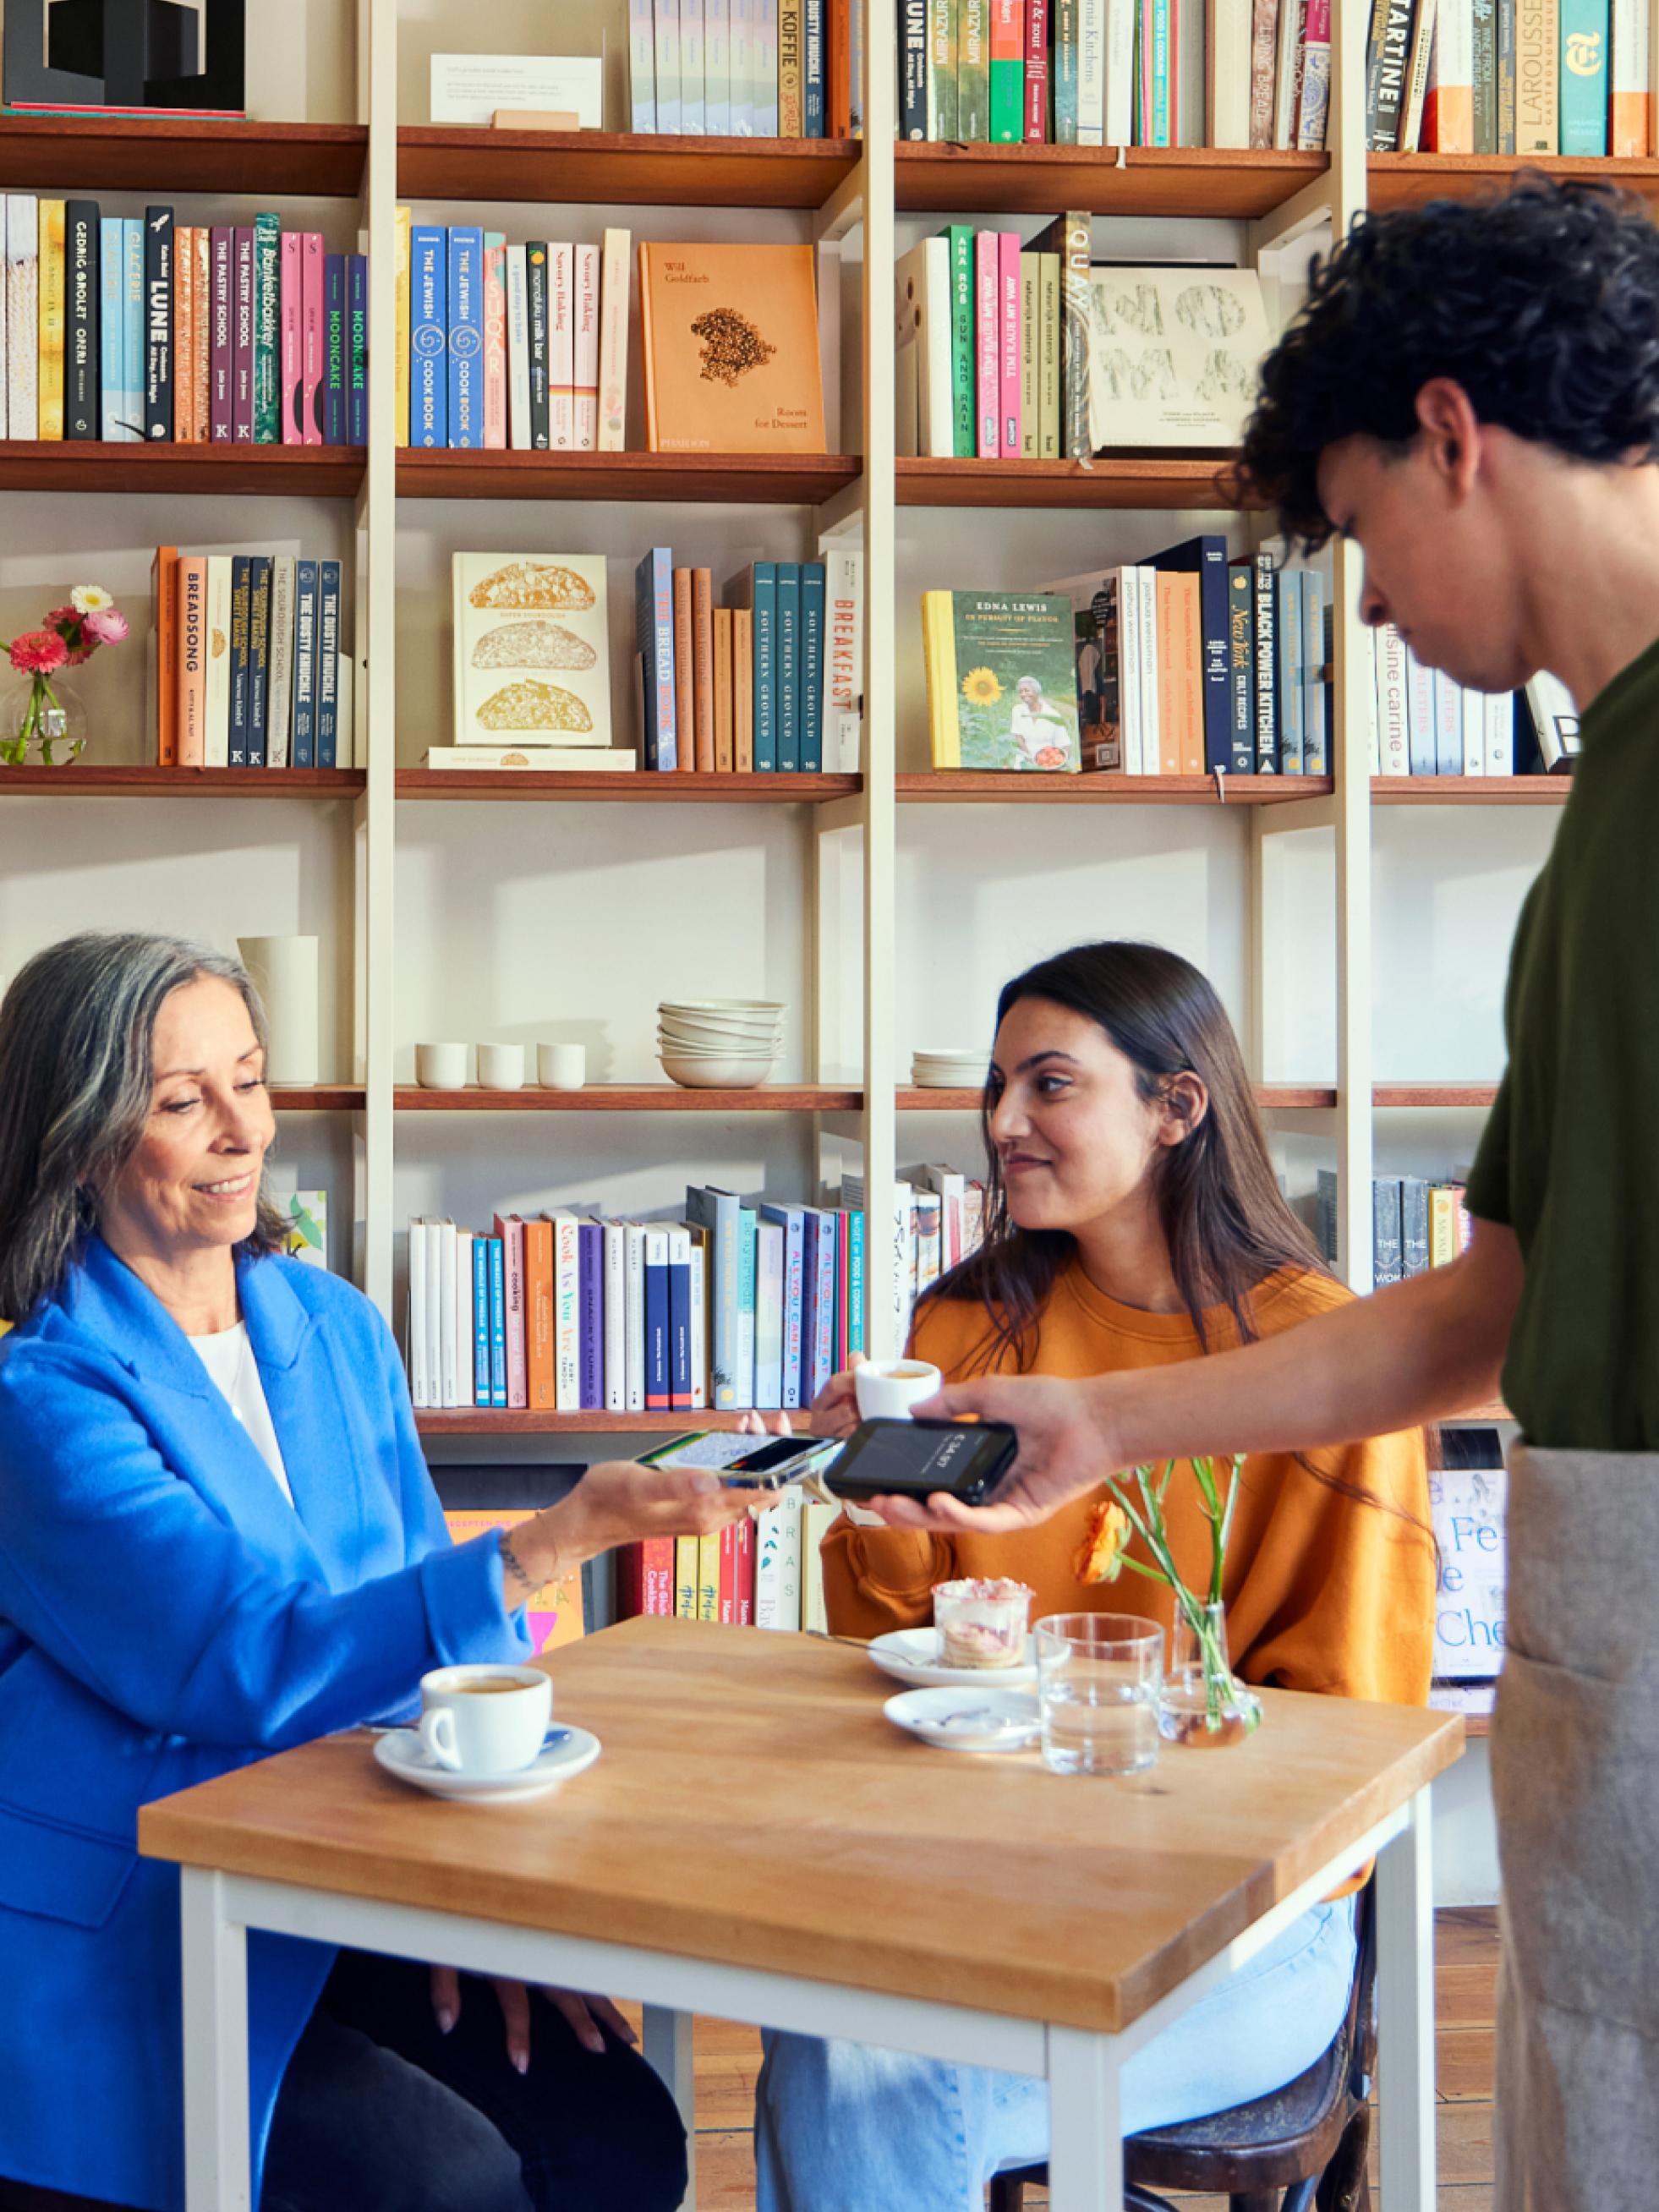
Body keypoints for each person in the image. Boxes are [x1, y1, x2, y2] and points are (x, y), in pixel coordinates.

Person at [868, 177, 1659, 2212]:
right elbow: (1496, 1305)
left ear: (1454, 433)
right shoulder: (1606, 806)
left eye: (1362, 531)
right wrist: (1098, 1426)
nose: (1374, 608)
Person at [0, 931, 757, 2212]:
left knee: (618, 2138)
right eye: (184, 1101)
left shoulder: (334, 1324)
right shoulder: (39, 1396)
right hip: (147, 1913)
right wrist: (548, 1541)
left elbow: (444, 1636)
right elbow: (243, 1656)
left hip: (350, 1859)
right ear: (80, 1138)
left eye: (249, 1077)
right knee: (452, 2182)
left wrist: (487, 1899)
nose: (243, 1130)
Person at [744, 939, 1432, 2212]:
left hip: (1238, 1933)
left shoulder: (1326, 1362)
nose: (1003, 1122)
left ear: (1177, 1108)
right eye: (996, 1088)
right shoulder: (965, 1329)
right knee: (832, 2035)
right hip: (979, 1886)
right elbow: (891, 1644)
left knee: (866, 2076)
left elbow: (1351, 1740)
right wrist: (875, 1495)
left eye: (1049, 1085)